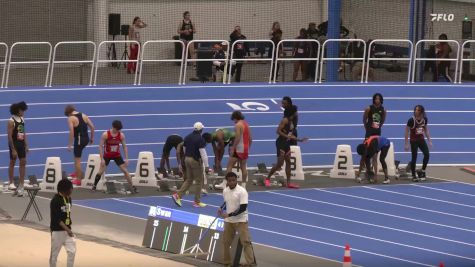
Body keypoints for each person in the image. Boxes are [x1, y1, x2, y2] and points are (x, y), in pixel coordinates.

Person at [218, 172, 255, 266]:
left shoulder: (242, 191)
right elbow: (227, 202)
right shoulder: (225, 191)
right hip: (229, 221)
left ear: (236, 180)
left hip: (241, 220)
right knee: (226, 242)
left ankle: (251, 264)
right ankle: (227, 263)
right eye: (230, 181)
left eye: (233, 180)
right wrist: (221, 208)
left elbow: (242, 208)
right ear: (227, 181)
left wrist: (228, 215)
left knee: (246, 242)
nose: (232, 182)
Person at [92, 120, 137, 193]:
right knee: (101, 171)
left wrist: (127, 158)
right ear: (113, 127)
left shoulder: (121, 135)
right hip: (107, 155)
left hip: (117, 155)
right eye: (117, 129)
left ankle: (133, 187)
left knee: (125, 170)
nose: (118, 131)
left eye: (119, 130)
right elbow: (100, 146)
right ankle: (94, 186)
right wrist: (102, 159)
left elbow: (124, 147)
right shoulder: (105, 134)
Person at [172, 122, 210, 208]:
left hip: (187, 159)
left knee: (189, 179)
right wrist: (207, 165)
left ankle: (178, 195)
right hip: (195, 160)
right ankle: (197, 202)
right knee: (199, 181)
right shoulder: (200, 139)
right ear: (201, 129)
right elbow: (203, 153)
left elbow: (184, 149)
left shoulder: (187, 137)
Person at [265, 110, 303, 188]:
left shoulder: (293, 122)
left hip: (287, 143)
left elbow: (291, 135)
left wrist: (299, 140)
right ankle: (267, 179)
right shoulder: (285, 120)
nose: (297, 114)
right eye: (296, 112)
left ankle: (288, 183)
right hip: (281, 143)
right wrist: (287, 137)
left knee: (288, 162)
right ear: (293, 113)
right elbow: (278, 131)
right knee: (280, 164)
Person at [216, 111, 252, 190]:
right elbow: (250, 138)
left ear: (235, 118)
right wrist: (248, 147)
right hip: (245, 148)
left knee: (229, 165)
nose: (233, 121)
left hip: (238, 148)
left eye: (233, 119)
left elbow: (238, 138)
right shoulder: (246, 124)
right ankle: (243, 186)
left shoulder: (238, 125)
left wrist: (233, 148)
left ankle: (225, 183)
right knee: (243, 167)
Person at [64, 105, 95, 185]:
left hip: (79, 140)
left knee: (77, 159)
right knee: (76, 156)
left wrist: (70, 145)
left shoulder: (70, 118)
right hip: (86, 138)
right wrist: (92, 138)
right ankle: (77, 172)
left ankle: (78, 179)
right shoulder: (84, 115)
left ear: (68, 113)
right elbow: (92, 127)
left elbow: (72, 132)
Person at [50, 179, 76, 267]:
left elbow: (67, 213)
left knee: (72, 251)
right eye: (71, 188)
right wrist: (67, 229)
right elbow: (57, 219)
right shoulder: (55, 201)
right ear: (65, 190)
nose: (72, 190)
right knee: (54, 255)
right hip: (57, 231)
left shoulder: (69, 199)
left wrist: (68, 229)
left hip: (68, 231)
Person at [405, 105, 432, 182]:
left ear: (421, 112)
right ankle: (413, 175)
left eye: (418, 110)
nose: (415, 111)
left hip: (421, 140)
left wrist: (429, 140)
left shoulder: (424, 120)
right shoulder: (411, 120)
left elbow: (426, 130)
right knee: (414, 157)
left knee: (427, 154)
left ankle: (422, 171)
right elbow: (406, 131)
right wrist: (406, 143)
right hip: (413, 141)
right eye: (415, 110)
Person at [7, 101, 28, 196]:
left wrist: (26, 145)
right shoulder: (11, 121)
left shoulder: (22, 119)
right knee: (12, 162)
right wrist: (13, 149)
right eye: (22, 110)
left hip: (21, 143)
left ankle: (21, 184)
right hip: (14, 143)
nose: (23, 112)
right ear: (17, 110)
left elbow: (23, 133)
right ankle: (11, 182)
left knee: (23, 162)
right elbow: (9, 136)